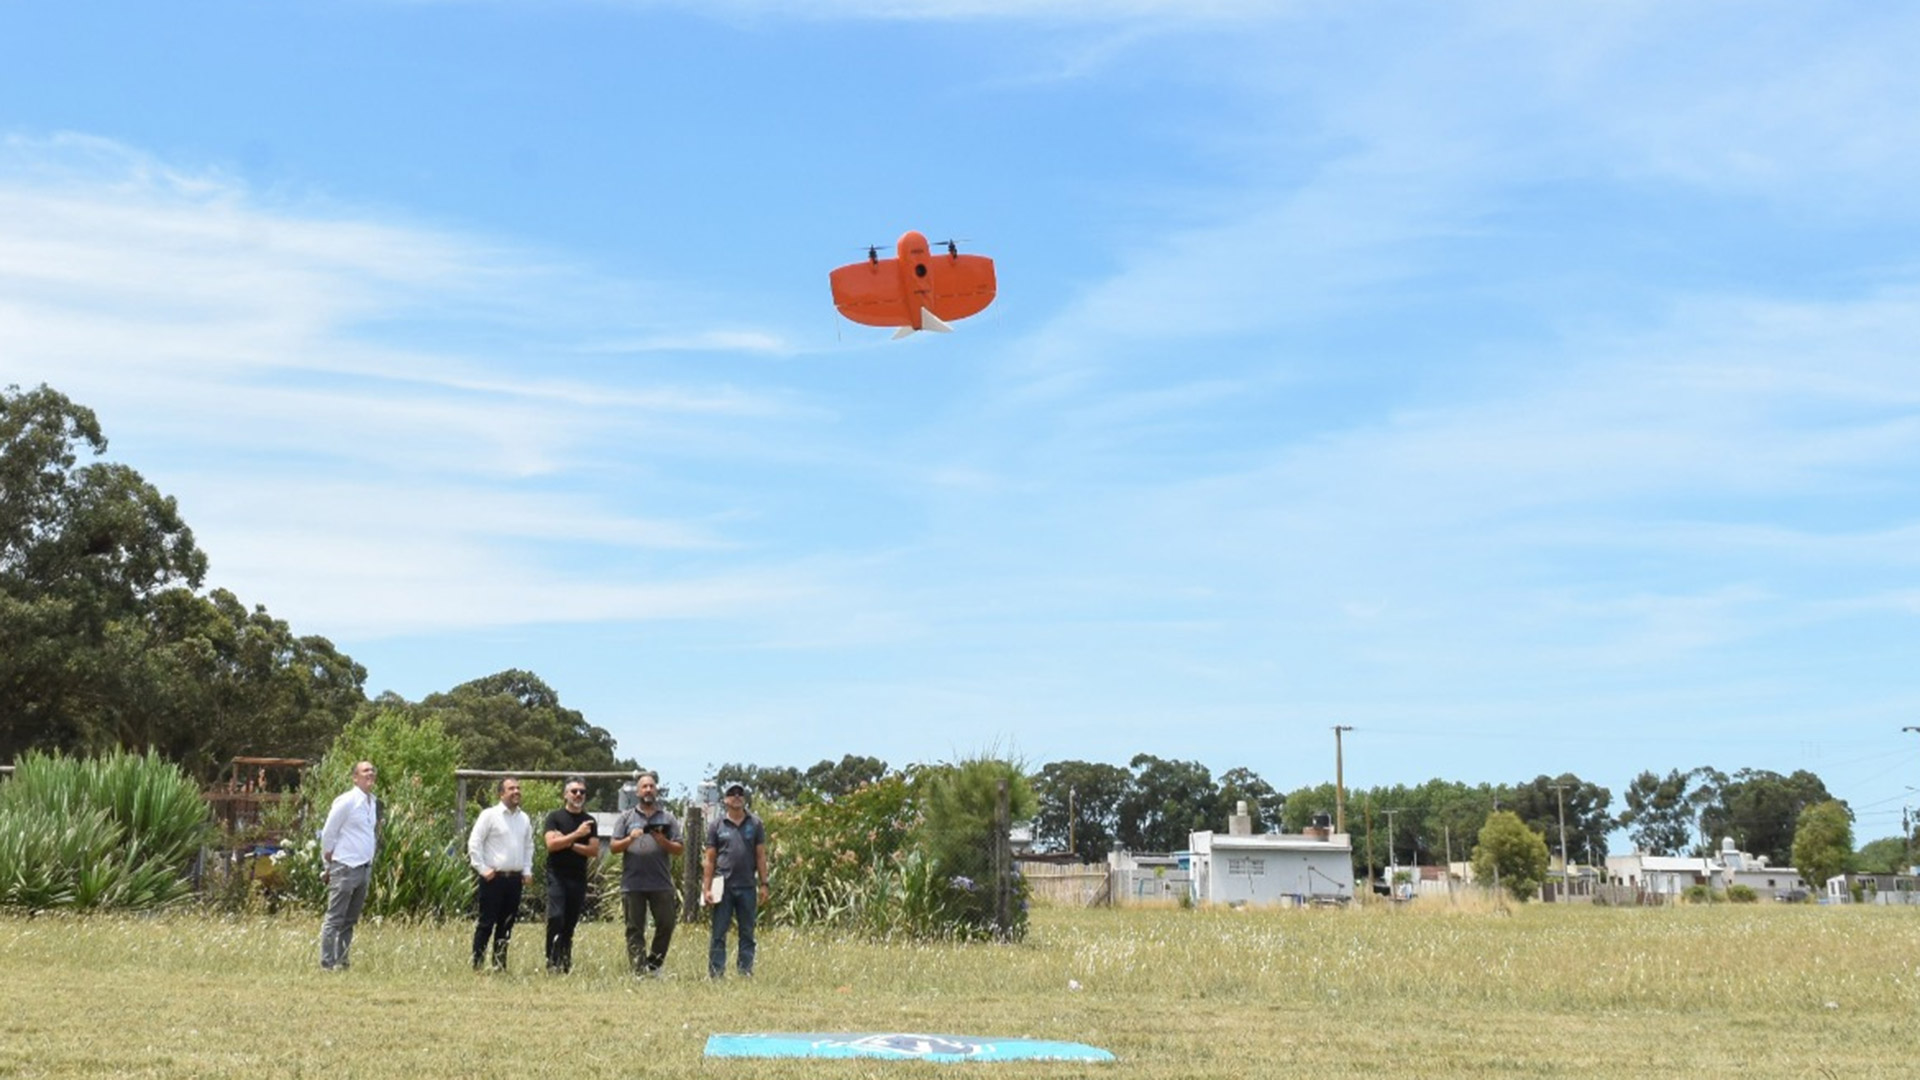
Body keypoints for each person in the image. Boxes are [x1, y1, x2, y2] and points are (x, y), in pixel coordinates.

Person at [610, 770, 683, 977]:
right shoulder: (626, 818)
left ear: (656, 790)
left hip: (660, 882)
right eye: (644, 786)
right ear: (638, 792)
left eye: (652, 786)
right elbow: (614, 847)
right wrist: (629, 839)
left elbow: (679, 849)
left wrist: (663, 841)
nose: (648, 790)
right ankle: (638, 971)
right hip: (633, 883)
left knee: (666, 924)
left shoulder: (667, 818)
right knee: (634, 929)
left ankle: (655, 964)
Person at [701, 781, 768, 979]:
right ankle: (716, 974)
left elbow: (761, 856)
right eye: (732, 793)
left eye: (740, 792)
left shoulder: (755, 824)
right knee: (719, 933)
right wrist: (706, 889)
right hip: (723, 886)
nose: (737, 796)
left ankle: (745, 971)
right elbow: (710, 859)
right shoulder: (716, 825)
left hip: (747, 886)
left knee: (747, 933)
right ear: (725, 799)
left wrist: (764, 884)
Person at [468, 776, 534, 971]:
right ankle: (477, 965)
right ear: (501, 793)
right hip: (493, 878)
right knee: (486, 923)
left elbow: (529, 846)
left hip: (514, 879)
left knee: (506, 925)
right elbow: (474, 843)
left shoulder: (524, 818)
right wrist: (482, 868)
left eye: (518, 788)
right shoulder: (489, 815)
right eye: (511, 788)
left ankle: (499, 965)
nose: (516, 792)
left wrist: (527, 869)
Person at [318, 760, 378, 970]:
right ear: (355, 777)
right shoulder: (346, 801)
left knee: (350, 920)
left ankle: (342, 961)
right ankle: (327, 963)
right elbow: (329, 832)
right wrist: (327, 864)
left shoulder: (373, 802)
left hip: (364, 868)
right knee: (335, 918)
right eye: (365, 771)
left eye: (372, 770)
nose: (370, 773)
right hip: (344, 866)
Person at [542, 776, 600, 973]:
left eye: (582, 792)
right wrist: (576, 835)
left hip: (578, 876)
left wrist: (568, 842)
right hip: (557, 874)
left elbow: (593, 851)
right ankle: (551, 961)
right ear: (565, 794)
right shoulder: (554, 817)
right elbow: (551, 845)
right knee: (556, 916)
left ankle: (564, 963)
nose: (578, 795)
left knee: (570, 921)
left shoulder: (589, 821)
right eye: (574, 791)